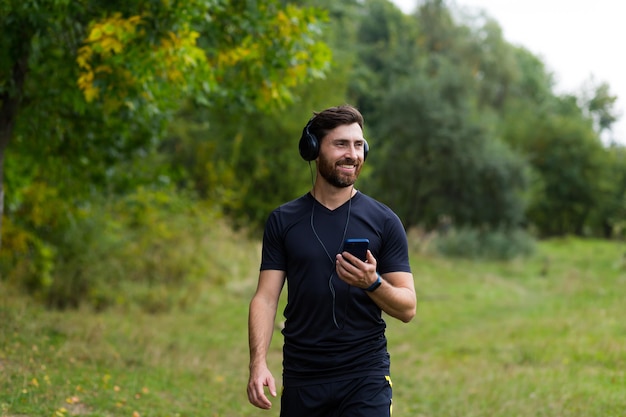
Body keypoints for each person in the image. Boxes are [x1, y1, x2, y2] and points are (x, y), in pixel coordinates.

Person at [247, 104, 416, 416]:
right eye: (340, 144)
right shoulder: (283, 220)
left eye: (357, 145)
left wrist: (373, 283)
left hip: (365, 376)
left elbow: (407, 308)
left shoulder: (384, 220)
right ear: (313, 149)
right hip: (303, 377)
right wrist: (257, 364)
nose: (352, 154)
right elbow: (266, 298)